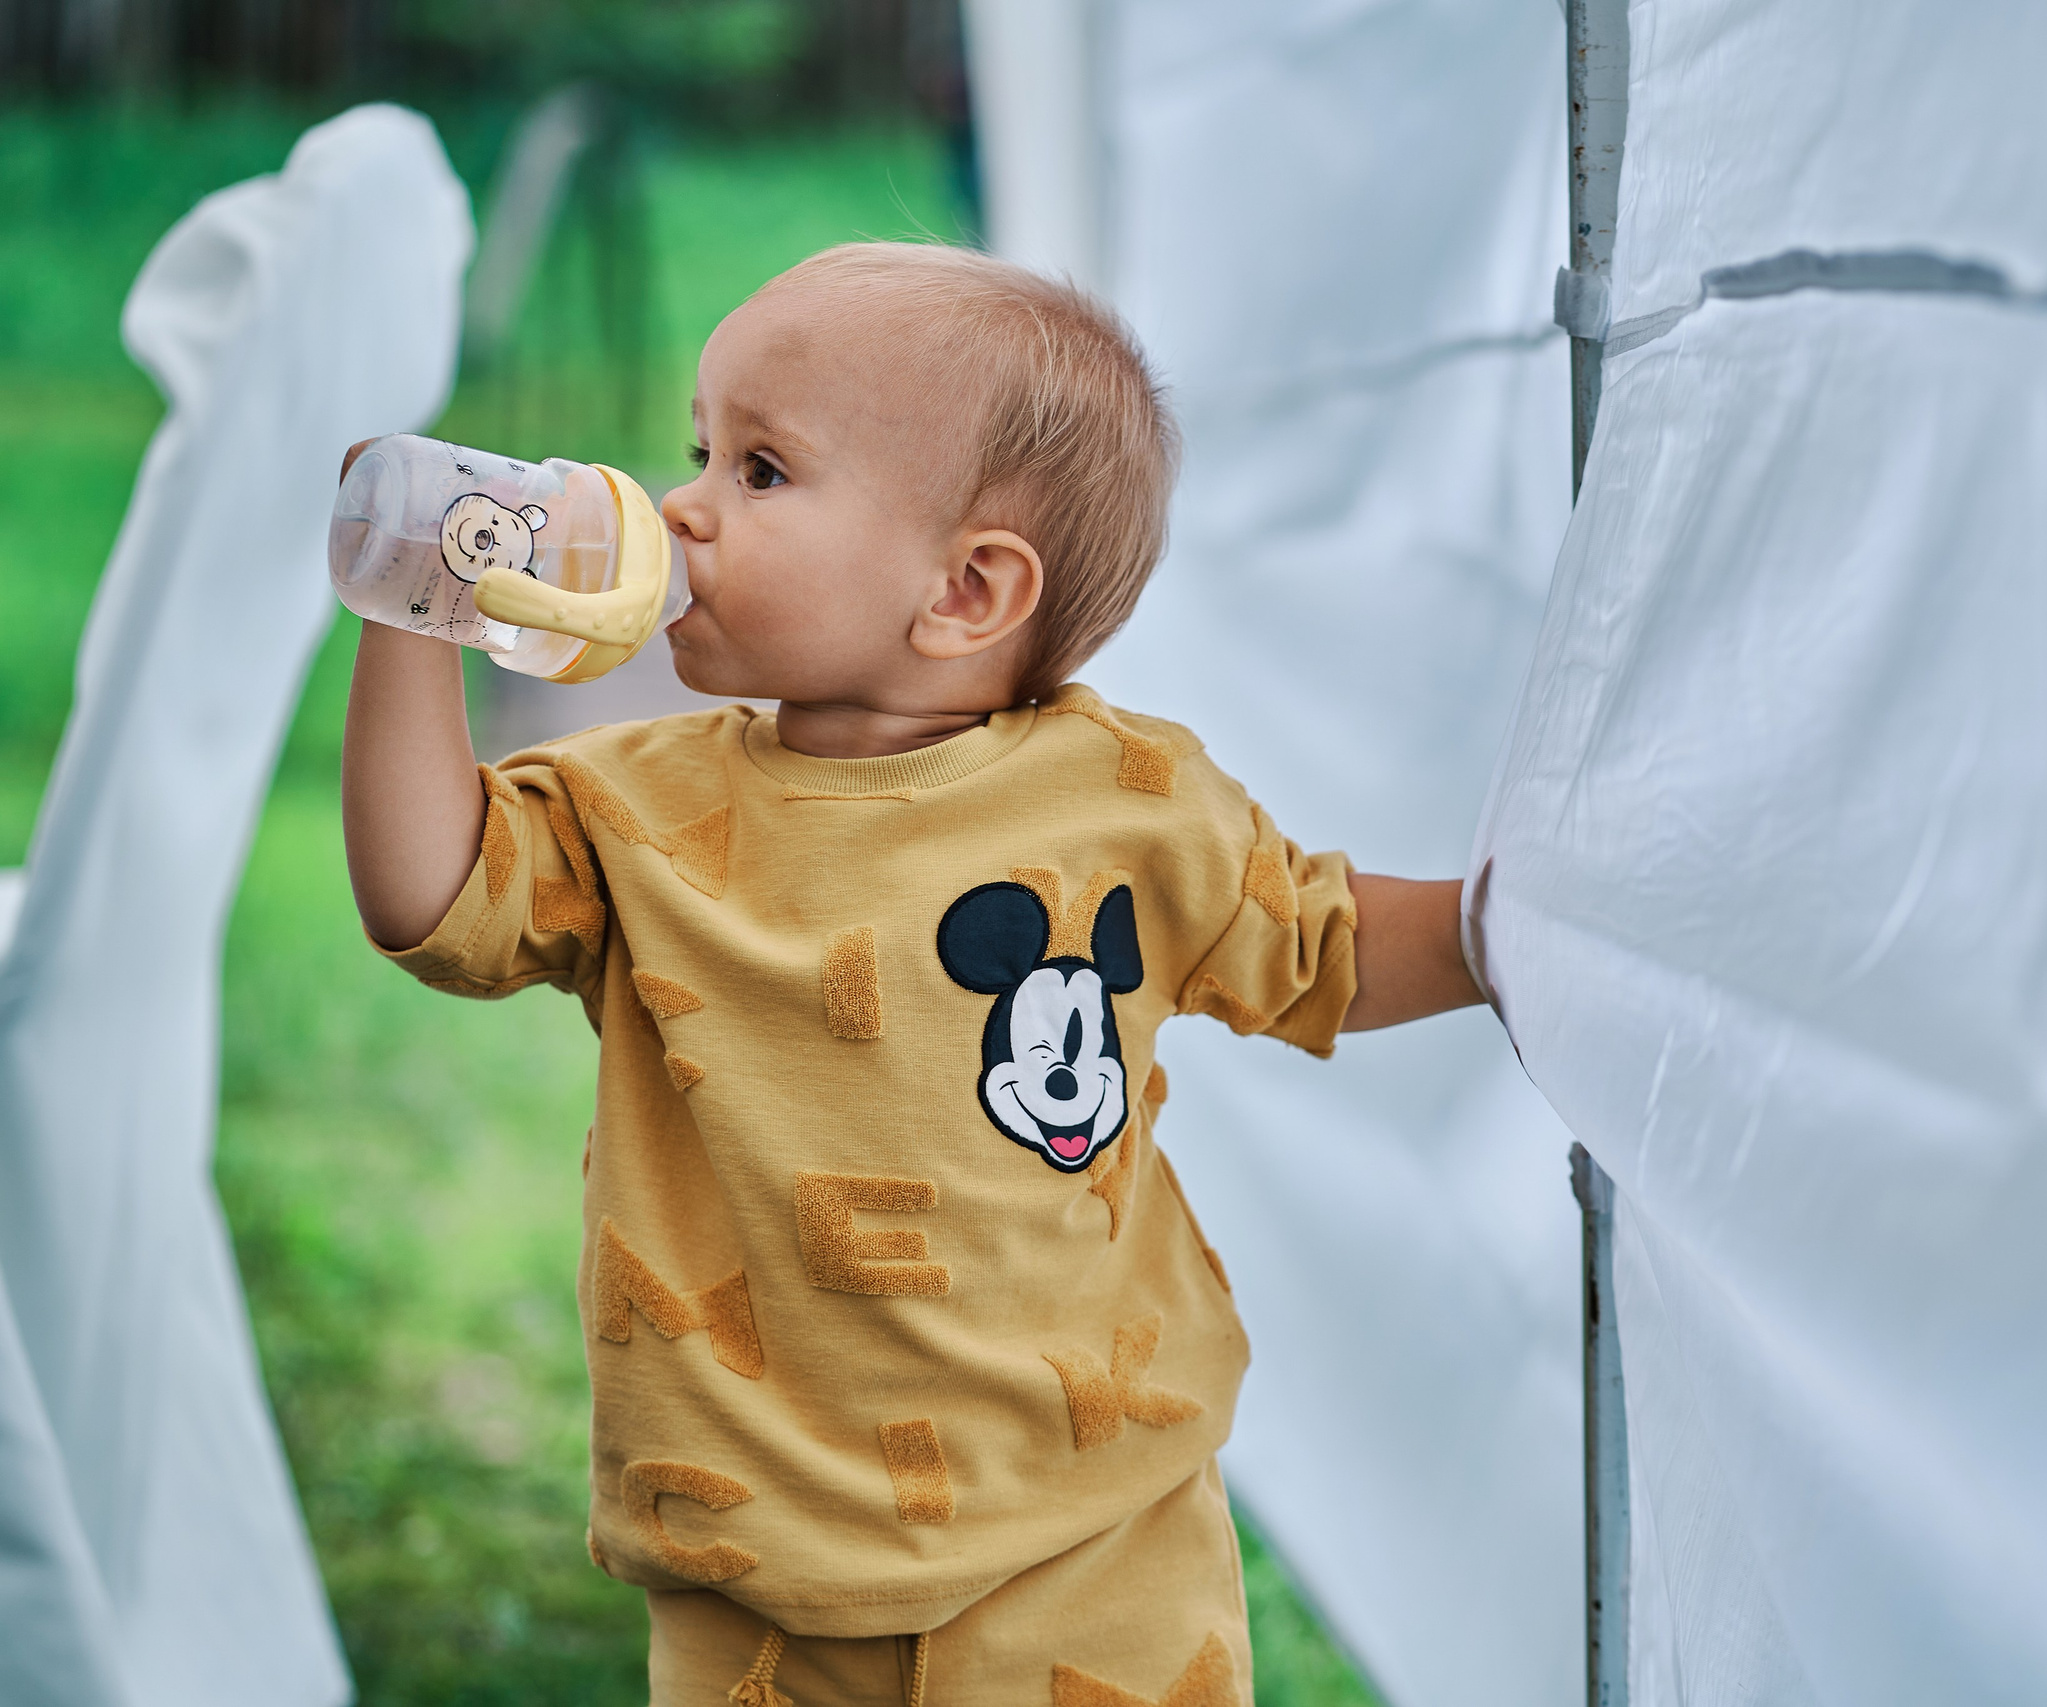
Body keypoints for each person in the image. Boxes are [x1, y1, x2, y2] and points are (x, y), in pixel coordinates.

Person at [340, 241, 1483, 1707]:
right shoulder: (638, 810)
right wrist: (417, 609)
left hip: (1091, 1555)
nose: (680, 504)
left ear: (965, 589)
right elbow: (430, 893)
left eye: (759, 471)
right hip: (754, 1581)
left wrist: (1502, 932)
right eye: (701, 448)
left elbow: (1321, 948)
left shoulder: (1130, 801)